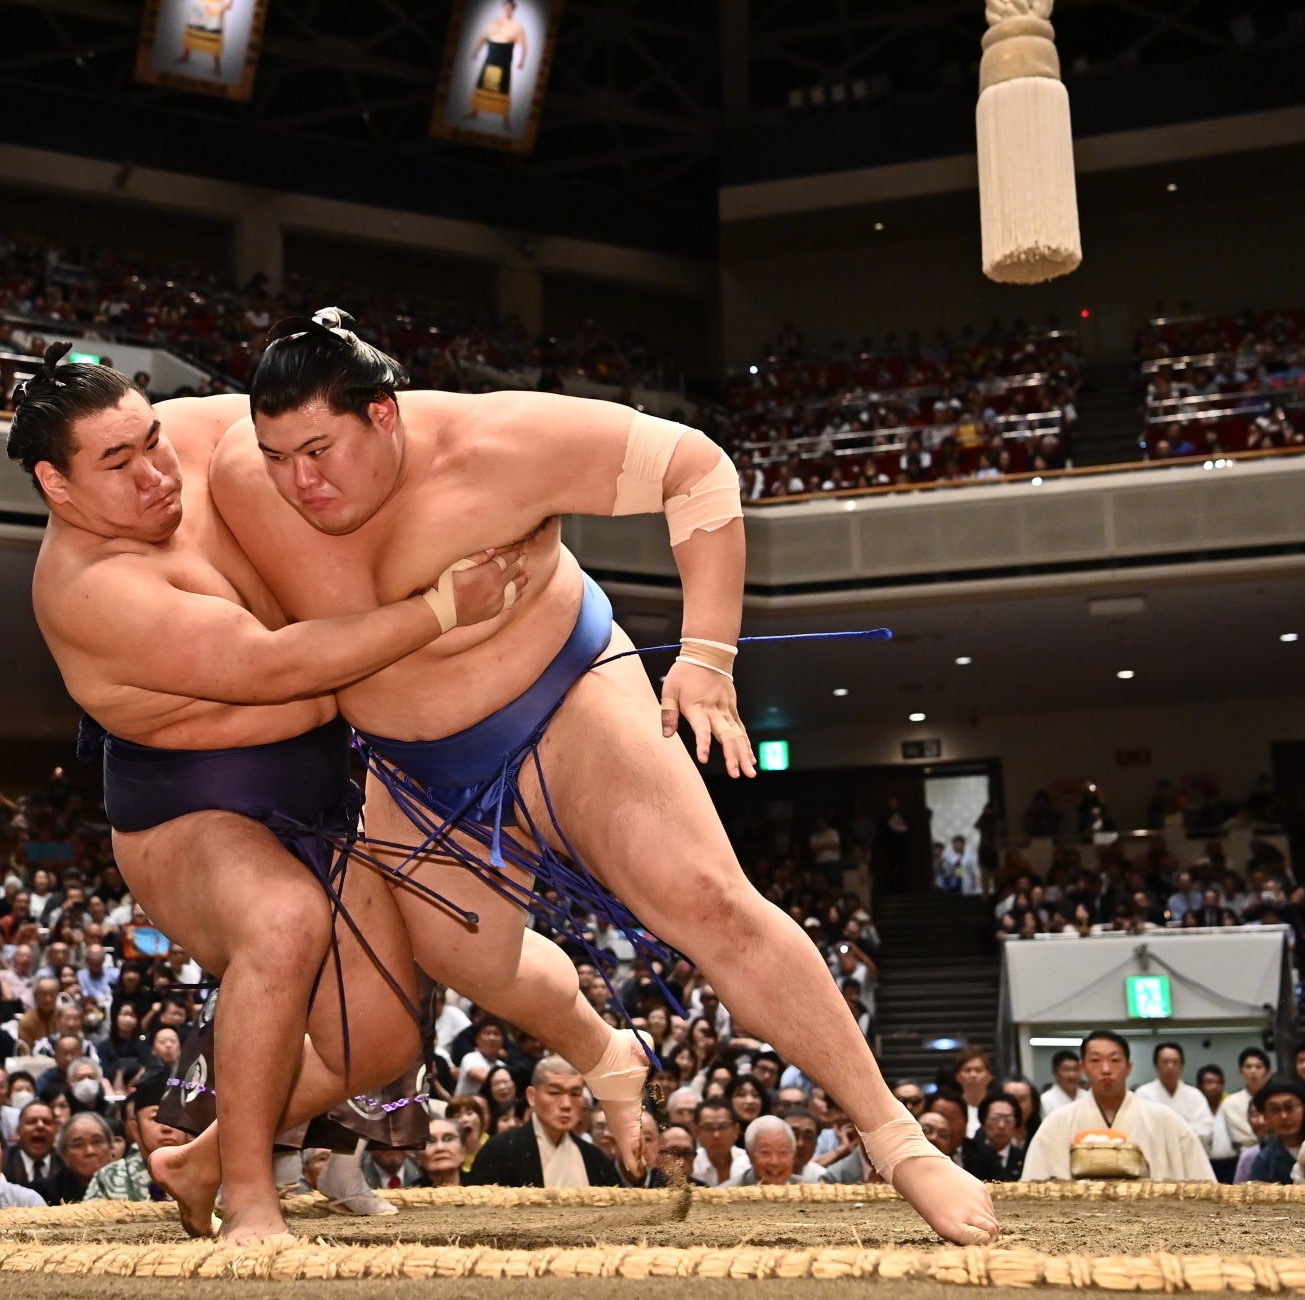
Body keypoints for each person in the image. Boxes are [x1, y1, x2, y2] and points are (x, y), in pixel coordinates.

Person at [213, 310, 998, 1243]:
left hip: (567, 702)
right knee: (472, 959)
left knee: (707, 901)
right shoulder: (236, 472)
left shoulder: (501, 442)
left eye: (317, 448)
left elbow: (697, 467)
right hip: (420, 771)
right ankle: (601, 1048)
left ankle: (898, 1140)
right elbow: (133, 457)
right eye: (276, 455)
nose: (299, 481)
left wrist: (707, 656)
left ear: (385, 415)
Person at [9, 366, 551, 1242]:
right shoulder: (92, 590)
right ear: (56, 483)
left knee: (382, 1046)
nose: (156, 472)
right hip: (193, 812)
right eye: (118, 462)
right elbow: (275, 667)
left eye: (151, 440)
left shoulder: (194, 435)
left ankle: (200, 1159)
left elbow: (314, 433)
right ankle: (252, 1200)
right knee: (283, 919)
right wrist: (441, 608)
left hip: (321, 786)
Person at [1020, 1032, 1214, 1182]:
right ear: (1083, 1067)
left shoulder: (1166, 1120)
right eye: (1095, 1060)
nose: (1105, 1069)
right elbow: (1032, 1187)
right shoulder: (1057, 1123)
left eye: (1114, 1060)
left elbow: (1204, 1185)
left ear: (1128, 1067)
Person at [467, 1057, 619, 1189]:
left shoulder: (594, 1157)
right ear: (532, 1097)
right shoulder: (499, 1151)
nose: (566, 1104)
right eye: (554, 1093)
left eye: (575, 1094)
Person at [87, 1074, 187, 1200]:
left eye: (174, 1117)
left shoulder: (212, 1173)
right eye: (156, 1118)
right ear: (135, 1129)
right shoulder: (108, 1178)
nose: (167, 1128)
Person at [1133, 1042, 1216, 1153]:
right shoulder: (1143, 1094)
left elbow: (1206, 1129)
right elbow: (1139, 1129)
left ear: (1181, 1066)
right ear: (1156, 1065)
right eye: (1165, 1062)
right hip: (1155, 1156)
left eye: (1175, 1062)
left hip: (1188, 1155)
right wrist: (1184, 1130)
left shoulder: (1195, 1095)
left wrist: (1171, 1134)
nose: (1170, 1066)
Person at [1240, 1078, 1305, 1184]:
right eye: (1274, 1110)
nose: (1284, 1116)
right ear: (1264, 1116)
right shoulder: (1264, 1160)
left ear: (1304, 1108)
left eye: (1290, 1107)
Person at [38, 1112, 113, 1204]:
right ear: (63, 1154)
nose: (89, 1151)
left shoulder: (128, 1185)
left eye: (96, 1142)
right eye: (78, 1145)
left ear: (110, 1147)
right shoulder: (44, 1193)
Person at [3, 1097, 63, 1196]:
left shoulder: (65, 1162)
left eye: (46, 1122)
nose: (40, 1126)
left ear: (56, 1130)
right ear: (18, 1131)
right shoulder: (2, 1163)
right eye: (31, 1121)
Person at [959, 1094, 1026, 1181]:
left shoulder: (1024, 1158)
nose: (1001, 1126)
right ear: (983, 1122)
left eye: (1008, 1120)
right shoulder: (968, 1153)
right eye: (995, 1119)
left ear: (1016, 1126)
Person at [689, 1097, 748, 1187]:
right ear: (697, 1132)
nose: (716, 1135)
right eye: (708, 1127)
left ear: (736, 1130)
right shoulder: (691, 1165)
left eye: (723, 1127)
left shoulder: (748, 1162)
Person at [729, 1115, 802, 1187]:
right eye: (765, 1153)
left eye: (783, 1152)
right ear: (749, 1155)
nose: (775, 1162)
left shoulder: (810, 1187)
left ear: (794, 1155)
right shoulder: (726, 1194)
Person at [417, 1116, 465, 1188]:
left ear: (463, 1151)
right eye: (430, 1141)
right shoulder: (406, 1197)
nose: (440, 1147)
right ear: (418, 1158)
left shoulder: (482, 1186)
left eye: (448, 1139)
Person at [1040, 1050, 1086, 1116]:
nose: (1071, 1075)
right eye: (1066, 1069)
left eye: (1075, 1069)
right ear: (1055, 1072)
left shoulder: (1087, 1096)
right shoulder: (1045, 1100)